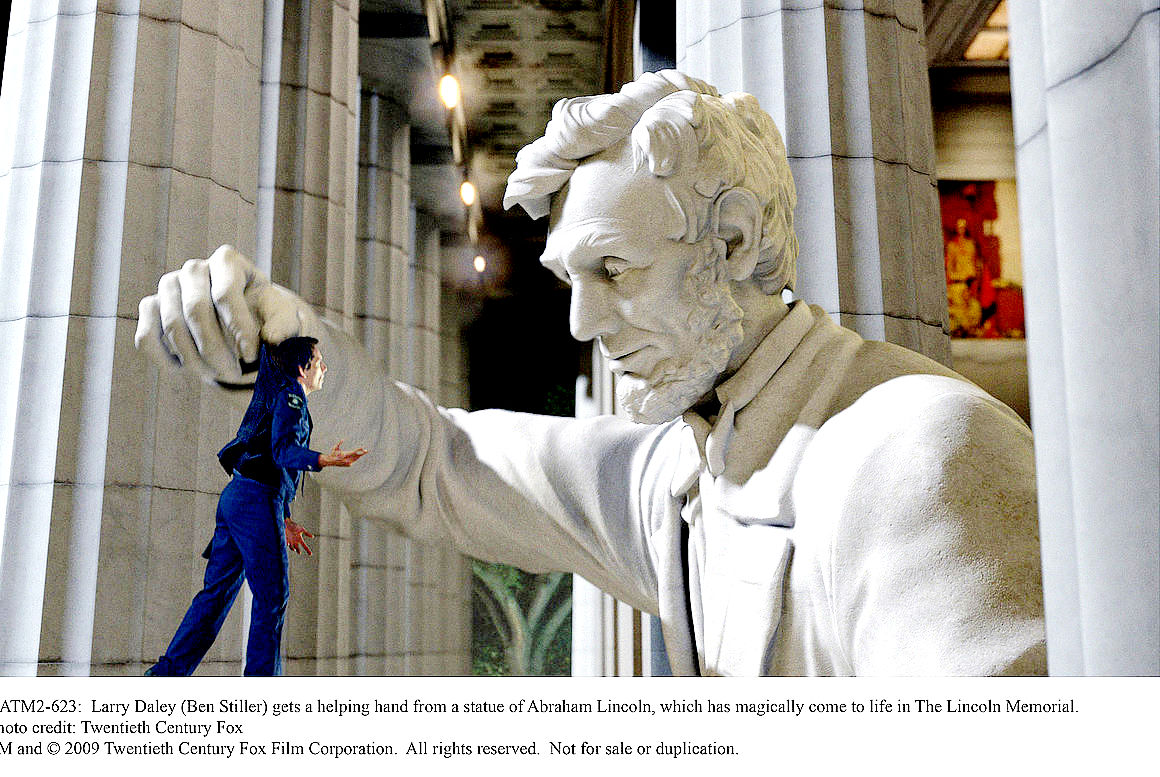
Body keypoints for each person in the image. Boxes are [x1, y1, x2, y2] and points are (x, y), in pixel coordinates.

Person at [136, 71, 1045, 675]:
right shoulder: (683, 475)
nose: (583, 321)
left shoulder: (923, 452)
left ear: (730, 244)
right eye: (570, 279)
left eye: (613, 270)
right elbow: (434, 459)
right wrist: (292, 355)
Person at [146, 336, 367, 676]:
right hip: (256, 501)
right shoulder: (292, 399)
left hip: (239, 496)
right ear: (302, 368)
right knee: (272, 597)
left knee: (215, 596)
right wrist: (325, 459)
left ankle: (164, 676)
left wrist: (286, 518)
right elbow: (282, 452)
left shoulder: (282, 397)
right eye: (319, 362)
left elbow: (268, 460)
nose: (324, 368)